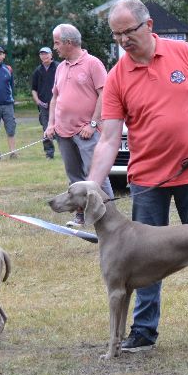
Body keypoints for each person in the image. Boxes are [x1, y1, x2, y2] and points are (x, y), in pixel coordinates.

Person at [87, 0, 188, 353]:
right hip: (147, 180)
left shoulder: (186, 55)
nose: (122, 40)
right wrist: (92, 185)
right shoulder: (116, 76)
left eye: (128, 32)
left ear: (148, 26)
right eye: (116, 35)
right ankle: (144, 329)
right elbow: (107, 139)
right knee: (142, 257)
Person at [46, 23, 114, 226]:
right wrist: (51, 124)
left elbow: (105, 94)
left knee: (96, 177)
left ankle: (109, 217)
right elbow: (55, 98)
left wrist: (93, 124)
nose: (54, 47)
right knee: (74, 178)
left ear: (68, 43)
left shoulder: (93, 63)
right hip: (63, 132)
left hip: (86, 132)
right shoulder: (60, 67)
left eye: (57, 43)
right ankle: (81, 215)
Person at [31, 46, 58, 160]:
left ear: (51, 55)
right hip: (44, 106)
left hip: (59, 104)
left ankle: (69, 152)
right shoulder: (38, 71)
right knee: (46, 129)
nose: (44, 56)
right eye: (42, 54)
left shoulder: (59, 67)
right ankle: (49, 153)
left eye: (46, 54)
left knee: (64, 127)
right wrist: (38, 102)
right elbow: (34, 89)